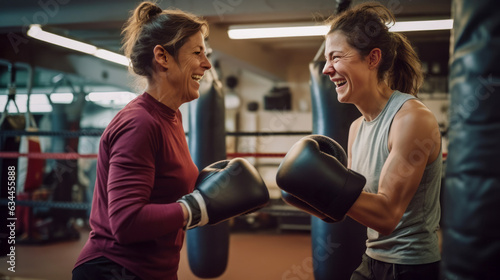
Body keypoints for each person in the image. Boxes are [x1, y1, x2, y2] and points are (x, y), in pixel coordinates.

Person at [72, 2, 269, 280]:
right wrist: (198, 206)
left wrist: (209, 189)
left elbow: (163, 193)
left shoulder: (170, 117)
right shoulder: (139, 123)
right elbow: (126, 222)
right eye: (197, 52)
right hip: (115, 270)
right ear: (163, 57)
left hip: (155, 270)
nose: (207, 63)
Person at [276, 2, 442, 280]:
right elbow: (353, 207)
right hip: (372, 259)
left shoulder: (411, 120)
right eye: (326, 59)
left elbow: (387, 216)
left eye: (336, 57)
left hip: (409, 267)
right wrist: (311, 196)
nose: (327, 69)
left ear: (372, 58)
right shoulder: (356, 128)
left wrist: (324, 184)